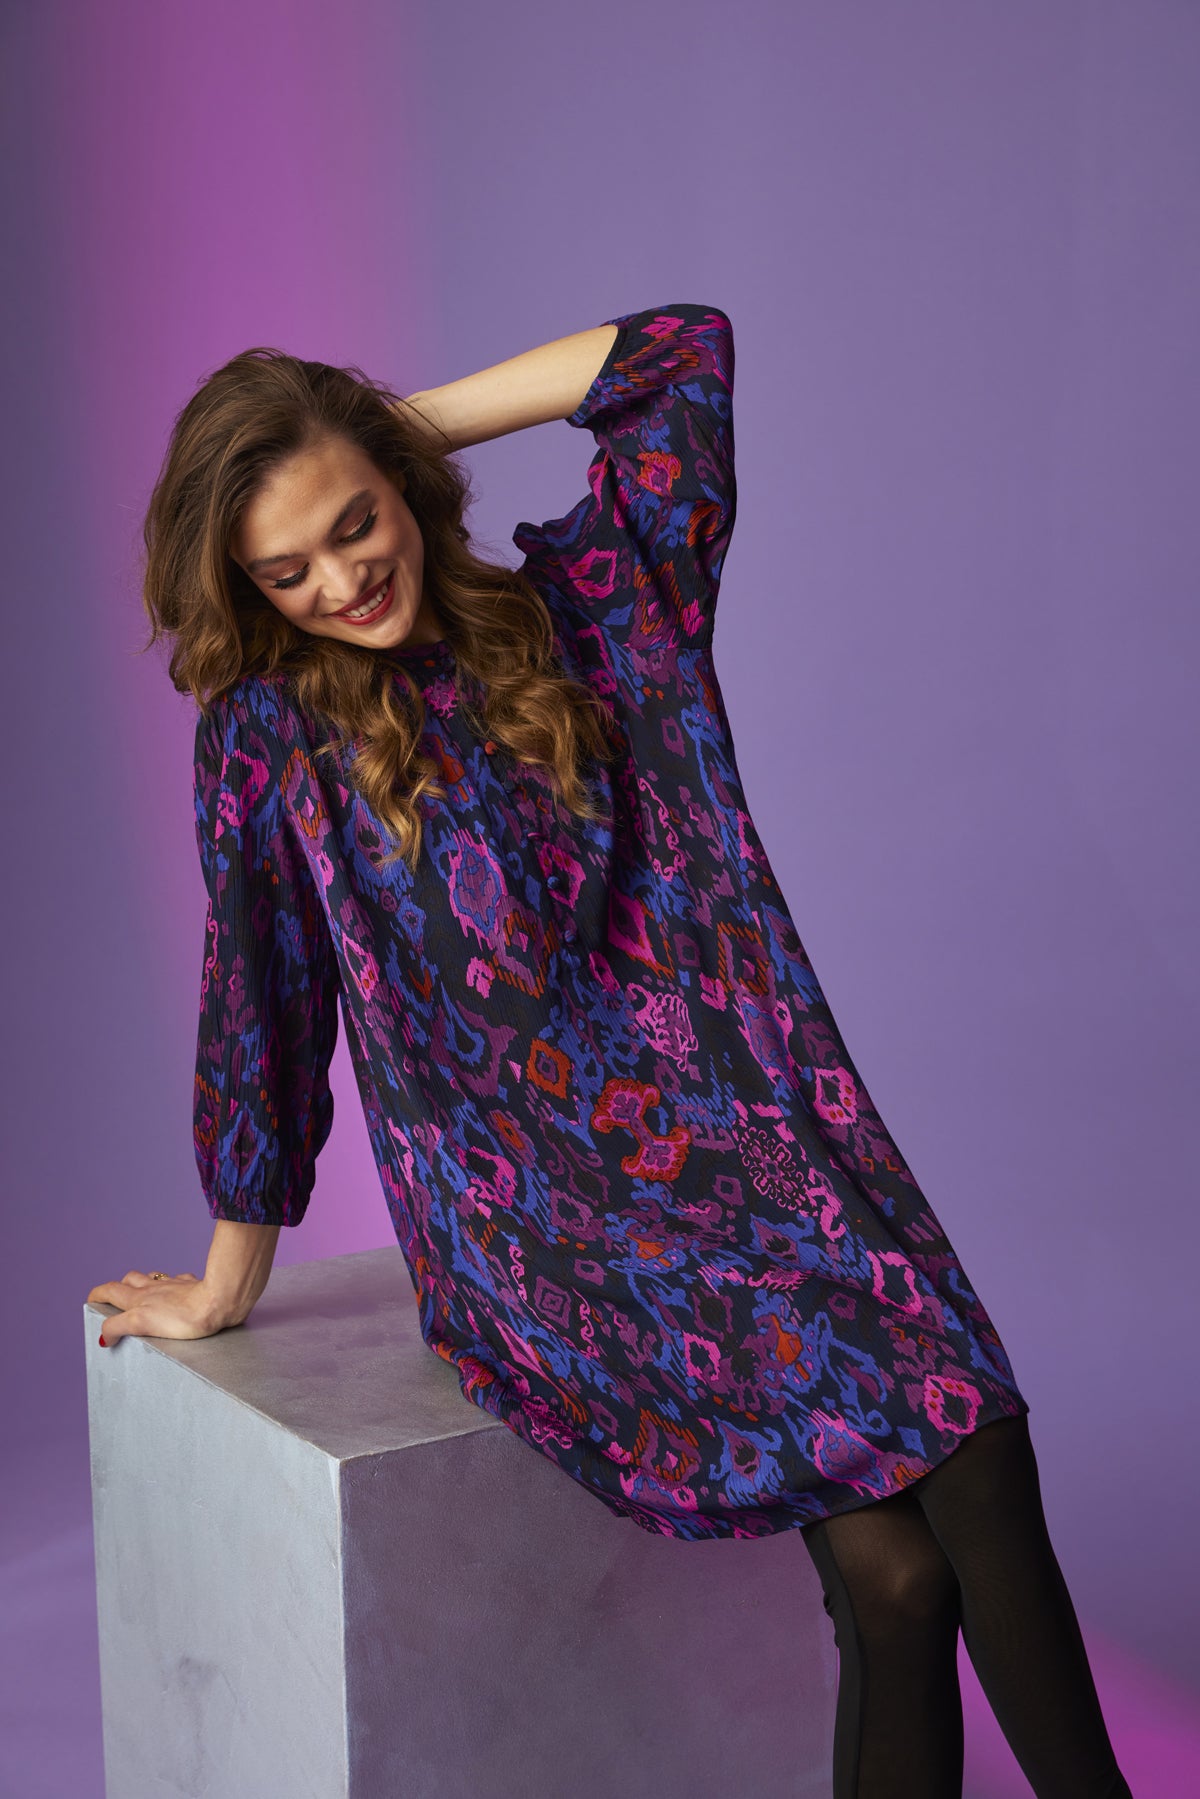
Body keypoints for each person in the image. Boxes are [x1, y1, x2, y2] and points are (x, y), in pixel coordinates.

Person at [87, 304, 1132, 1797]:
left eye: (355, 521)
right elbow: (262, 1000)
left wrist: (386, 425)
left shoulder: (594, 610)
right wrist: (226, 1278)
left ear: (399, 484)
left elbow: (678, 356)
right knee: (964, 1442)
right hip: (536, 1219)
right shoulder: (269, 736)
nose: (340, 580)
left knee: (903, 1576)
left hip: (752, 1139)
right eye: (286, 569)